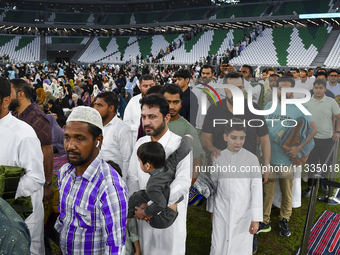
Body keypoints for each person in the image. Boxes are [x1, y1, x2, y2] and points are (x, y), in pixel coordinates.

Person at [55, 106, 128, 254]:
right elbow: (65, 219)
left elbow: (116, 246)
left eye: (80, 139)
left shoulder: (109, 187)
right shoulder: (64, 173)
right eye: (67, 137)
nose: (70, 146)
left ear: (98, 141)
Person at [127, 94, 191, 255]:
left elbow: (182, 183)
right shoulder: (141, 143)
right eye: (143, 117)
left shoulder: (178, 145)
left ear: (167, 117)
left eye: (152, 117)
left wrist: (150, 207)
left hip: (169, 216)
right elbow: (132, 177)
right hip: (142, 215)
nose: (146, 122)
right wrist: (139, 206)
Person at [260, 76, 317, 237]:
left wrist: (299, 147)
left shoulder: (300, 107)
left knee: (287, 191)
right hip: (269, 158)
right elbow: (263, 130)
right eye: (280, 88)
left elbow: (313, 130)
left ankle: (285, 218)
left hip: (287, 160)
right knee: (267, 191)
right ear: (276, 89)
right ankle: (265, 220)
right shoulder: (269, 105)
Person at [0, 77, 45, 254]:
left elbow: (36, 177)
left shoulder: (23, 134)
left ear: (5, 101)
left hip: (22, 215)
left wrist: (5, 189)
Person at [207, 118, 262, 255]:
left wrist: (255, 219)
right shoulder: (218, 158)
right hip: (221, 209)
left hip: (243, 211)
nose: (238, 142)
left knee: (240, 246)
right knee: (218, 244)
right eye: (234, 138)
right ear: (225, 137)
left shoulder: (252, 159)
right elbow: (213, 186)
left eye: (242, 138)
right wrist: (212, 209)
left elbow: (256, 190)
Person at [128, 135, 193, 229]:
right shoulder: (169, 163)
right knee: (138, 195)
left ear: (147, 166)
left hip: (165, 218)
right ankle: (130, 216)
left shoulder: (152, 185)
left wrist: (144, 212)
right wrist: (187, 138)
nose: (139, 164)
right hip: (166, 200)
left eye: (140, 162)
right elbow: (184, 149)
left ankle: (133, 216)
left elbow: (160, 204)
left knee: (141, 203)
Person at [302, 79, 340, 197]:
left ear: (325, 89)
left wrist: (337, 131)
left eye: (321, 88)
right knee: (312, 164)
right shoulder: (307, 102)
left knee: (326, 163)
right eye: (316, 88)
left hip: (327, 138)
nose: (318, 90)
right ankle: (310, 186)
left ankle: (324, 184)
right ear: (313, 89)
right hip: (311, 139)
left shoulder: (331, 101)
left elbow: (339, 117)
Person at [161, 84, 204, 185]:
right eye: (168, 102)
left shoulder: (188, 129)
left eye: (175, 102)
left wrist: (186, 188)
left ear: (181, 103)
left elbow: (197, 162)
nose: (171, 106)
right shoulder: (153, 124)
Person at [94, 91, 133, 181]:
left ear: (111, 108)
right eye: (95, 104)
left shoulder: (122, 129)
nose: (95, 108)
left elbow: (127, 160)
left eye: (99, 105)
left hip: (114, 178)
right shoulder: (96, 126)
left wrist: (122, 183)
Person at [123, 74, 156, 141]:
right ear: (140, 87)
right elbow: (126, 123)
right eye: (145, 86)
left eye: (151, 85)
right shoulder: (133, 101)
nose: (149, 88)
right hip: (136, 139)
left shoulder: (162, 101)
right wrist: (138, 128)